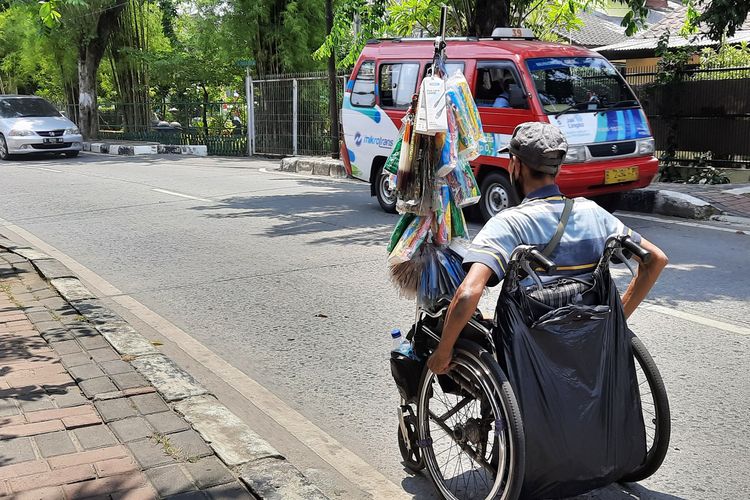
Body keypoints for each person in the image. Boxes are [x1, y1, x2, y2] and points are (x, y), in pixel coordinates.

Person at [427, 122, 668, 375]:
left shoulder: (508, 223)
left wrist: (443, 352)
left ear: (515, 165)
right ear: (558, 168)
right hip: (586, 337)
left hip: (529, 350)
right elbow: (656, 259)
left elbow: (467, 294)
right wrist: (616, 321)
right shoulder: (595, 214)